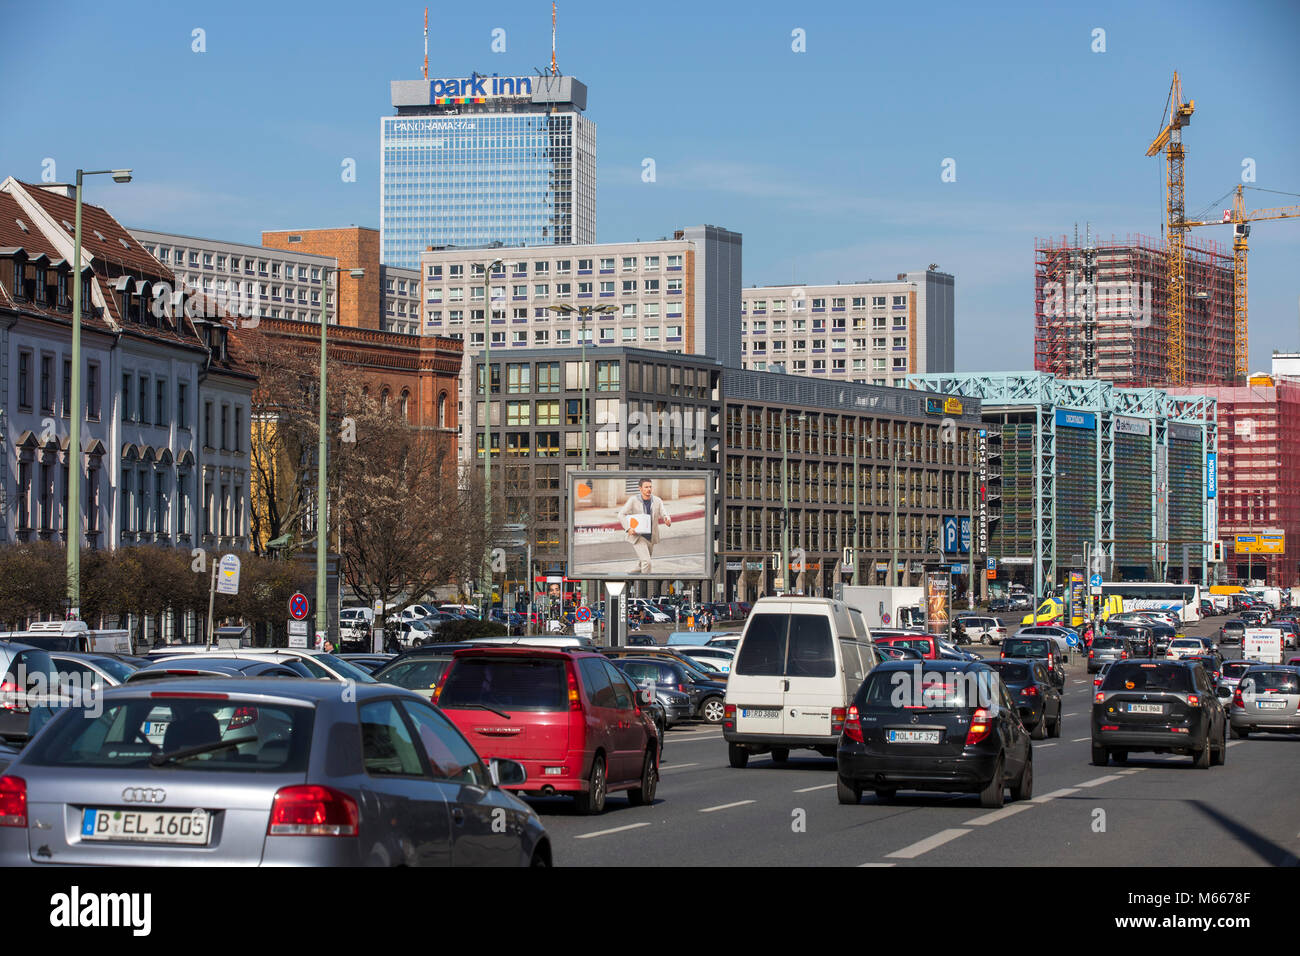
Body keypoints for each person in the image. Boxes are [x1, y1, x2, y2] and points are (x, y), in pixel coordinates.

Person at [618, 478, 672, 574]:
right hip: (638, 536)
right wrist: (628, 528)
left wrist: (667, 519)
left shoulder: (657, 500)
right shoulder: (633, 500)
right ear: (640, 488)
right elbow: (621, 514)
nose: (649, 489)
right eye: (646, 487)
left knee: (643, 562)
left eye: (650, 487)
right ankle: (646, 585)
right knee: (647, 562)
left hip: (651, 537)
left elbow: (664, 513)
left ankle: (632, 574)